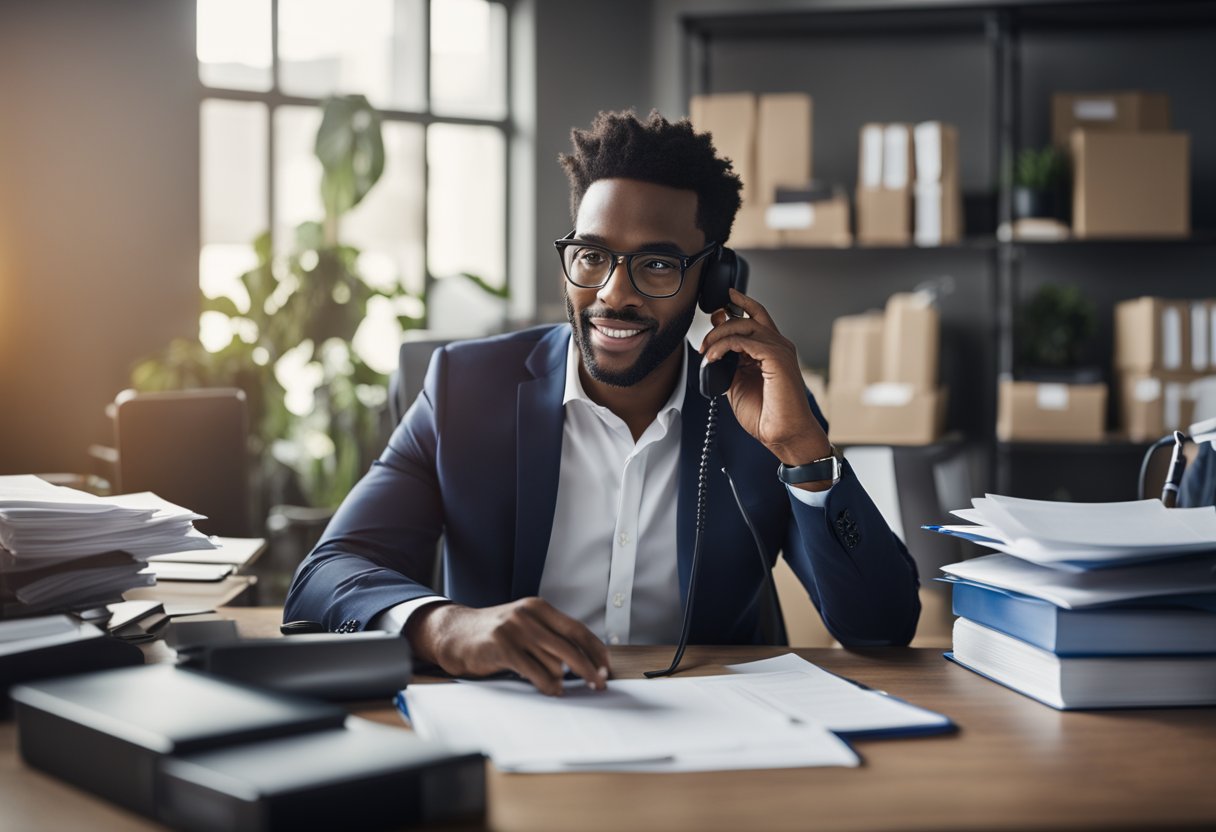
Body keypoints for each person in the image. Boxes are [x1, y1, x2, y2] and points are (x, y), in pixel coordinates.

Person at [284, 110, 921, 696]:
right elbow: (326, 577)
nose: (614, 294)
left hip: (721, 740)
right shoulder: (464, 389)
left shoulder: (764, 413)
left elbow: (882, 629)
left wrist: (803, 451)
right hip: (514, 722)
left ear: (715, 281)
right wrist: (446, 628)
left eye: (657, 265)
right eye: (592, 256)